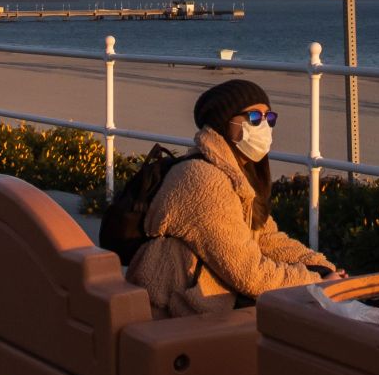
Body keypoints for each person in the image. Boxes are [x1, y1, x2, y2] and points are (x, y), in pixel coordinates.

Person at [127, 79, 341, 316]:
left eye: (269, 118)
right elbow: (248, 273)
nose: (264, 127)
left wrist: (322, 267)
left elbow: (267, 238)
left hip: (206, 308)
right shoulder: (203, 181)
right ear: (223, 122)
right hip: (175, 315)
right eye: (254, 118)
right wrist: (314, 284)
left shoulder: (236, 174)